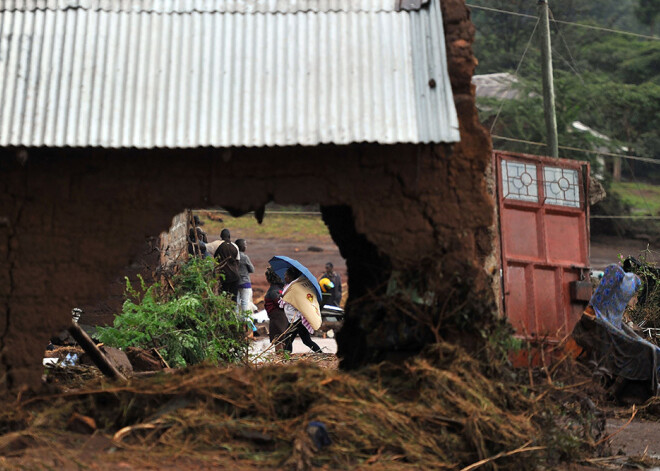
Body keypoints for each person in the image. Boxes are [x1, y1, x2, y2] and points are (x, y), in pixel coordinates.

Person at [280, 267, 322, 353]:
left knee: (288, 339)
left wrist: (284, 298)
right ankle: (320, 353)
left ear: (291, 276)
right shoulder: (291, 286)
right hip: (294, 319)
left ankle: (286, 358)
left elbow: (295, 300)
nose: (285, 277)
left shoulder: (295, 288)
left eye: (286, 275)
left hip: (297, 319)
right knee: (306, 340)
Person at [264, 267, 289, 351]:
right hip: (277, 321)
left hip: (280, 320)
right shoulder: (274, 291)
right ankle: (280, 361)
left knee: (281, 340)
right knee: (278, 341)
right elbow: (280, 303)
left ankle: (281, 361)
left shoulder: (277, 289)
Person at [213, 229, 240, 300]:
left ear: (221, 236)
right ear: (229, 236)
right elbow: (237, 262)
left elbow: (204, 246)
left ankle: (224, 310)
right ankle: (232, 310)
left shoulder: (217, 245)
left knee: (223, 297)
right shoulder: (235, 246)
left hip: (224, 276)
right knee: (233, 298)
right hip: (235, 276)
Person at [236, 239, 255, 315]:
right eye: (245, 245)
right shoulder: (245, 257)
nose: (246, 246)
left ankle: (236, 321)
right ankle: (246, 322)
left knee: (236, 304)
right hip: (245, 283)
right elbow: (252, 269)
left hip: (236, 283)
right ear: (242, 247)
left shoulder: (234, 257)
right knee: (245, 304)